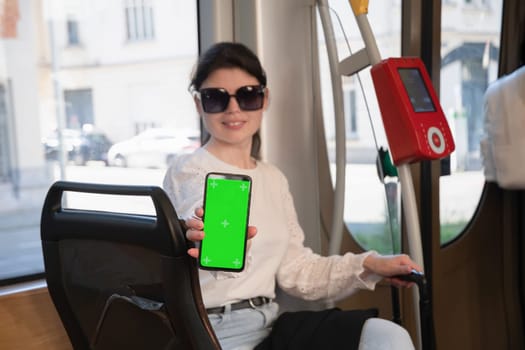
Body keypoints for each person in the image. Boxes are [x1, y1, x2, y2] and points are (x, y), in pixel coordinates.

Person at [163, 41, 421, 350]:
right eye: (215, 98)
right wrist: (202, 233)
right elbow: (195, 220)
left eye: (247, 95)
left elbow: (298, 272)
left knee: (386, 336)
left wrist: (370, 264)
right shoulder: (187, 171)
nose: (233, 109)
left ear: (265, 98)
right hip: (211, 330)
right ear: (198, 104)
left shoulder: (273, 179)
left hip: (271, 327)